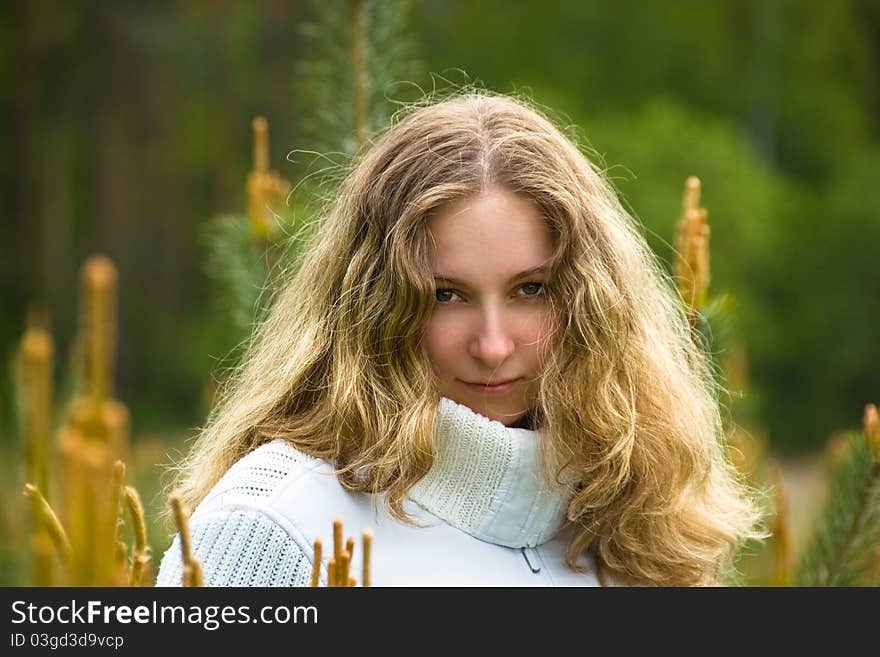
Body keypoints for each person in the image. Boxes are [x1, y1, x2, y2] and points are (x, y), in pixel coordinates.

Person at [156, 91, 765, 587]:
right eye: (446, 296)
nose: (493, 345)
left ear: (592, 301)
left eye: (531, 289)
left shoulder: (638, 536)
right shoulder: (272, 523)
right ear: (372, 305)